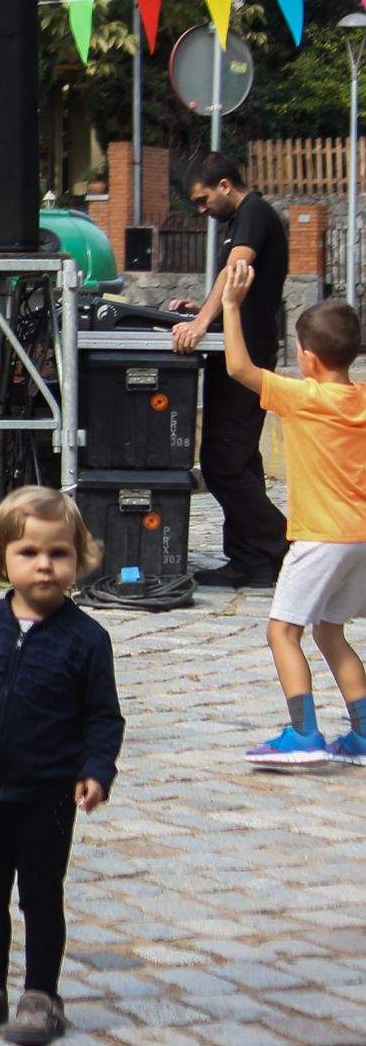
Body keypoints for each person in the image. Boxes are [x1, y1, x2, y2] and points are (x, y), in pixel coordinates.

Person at [0, 487, 124, 1046]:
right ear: (1, 558)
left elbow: (104, 717)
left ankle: (42, 994)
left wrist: (96, 769)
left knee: (40, 895)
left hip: (46, 797)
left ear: (78, 560)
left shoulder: (87, 639)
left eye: (58, 553)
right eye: (29, 552)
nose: (44, 564)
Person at [215, 265, 366, 767]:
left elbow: (239, 368)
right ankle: (363, 734)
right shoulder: (362, 400)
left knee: (283, 630)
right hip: (360, 538)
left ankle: (303, 733)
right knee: (329, 628)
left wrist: (231, 307)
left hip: (320, 538)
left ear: (306, 357)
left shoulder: (303, 397)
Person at [171, 154, 290, 587]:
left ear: (224, 185)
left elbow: (234, 270)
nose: (201, 210)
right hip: (232, 352)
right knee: (242, 460)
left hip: (248, 358)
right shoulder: (238, 220)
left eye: (203, 200)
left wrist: (202, 322)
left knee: (222, 464)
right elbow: (234, 287)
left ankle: (283, 544)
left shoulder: (253, 213)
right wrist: (199, 307)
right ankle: (251, 560)